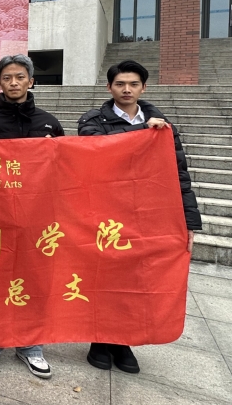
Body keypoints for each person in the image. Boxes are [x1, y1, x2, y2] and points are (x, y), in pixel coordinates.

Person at [77, 59, 202, 375]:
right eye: (120, 84)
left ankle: (124, 340)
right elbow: (97, 152)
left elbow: (179, 175)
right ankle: (100, 338)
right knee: (104, 277)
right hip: (106, 213)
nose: (127, 89)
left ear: (143, 87)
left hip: (147, 216)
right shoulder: (93, 120)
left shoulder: (163, 126)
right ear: (109, 87)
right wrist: (141, 132)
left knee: (136, 279)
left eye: (133, 84)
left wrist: (189, 221)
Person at [0, 54, 63, 380]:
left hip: (37, 219)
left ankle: (30, 345)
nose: (14, 82)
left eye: (20, 77)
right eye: (7, 77)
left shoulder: (49, 123)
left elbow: (66, 169)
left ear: (31, 81)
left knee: (34, 280)